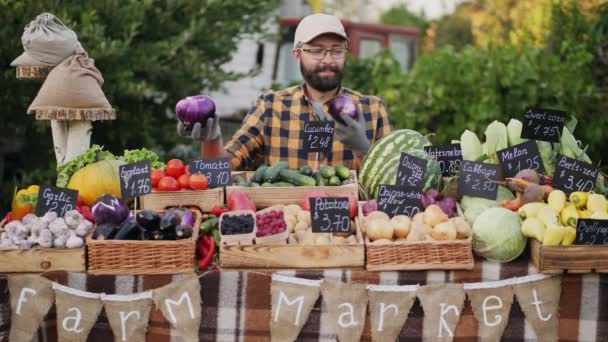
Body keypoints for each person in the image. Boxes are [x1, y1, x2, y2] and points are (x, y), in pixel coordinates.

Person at [178, 13, 392, 170]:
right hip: (287, 226)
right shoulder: (271, 106)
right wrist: (212, 140)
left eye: (336, 51)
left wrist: (363, 149)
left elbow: (395, 185)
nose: (328, 60)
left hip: (353, 227)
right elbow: (225, 168)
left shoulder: (371, 108)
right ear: (297, 54)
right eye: (316, 51)